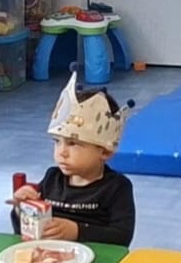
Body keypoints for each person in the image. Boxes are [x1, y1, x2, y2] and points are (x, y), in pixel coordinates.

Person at [9, 73, 137, 246]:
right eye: (57, 142)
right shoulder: (52, 179)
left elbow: (122, 237)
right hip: (51, 255)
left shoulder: (116, 187)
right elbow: (23, 231)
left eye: (73, 144)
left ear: (105, 152)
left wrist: (77, 231)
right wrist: (21, 209)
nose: (61, 152)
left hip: (98, 258)